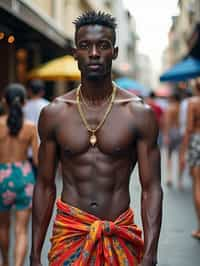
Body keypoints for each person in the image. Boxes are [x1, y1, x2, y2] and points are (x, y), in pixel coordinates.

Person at [30, 11, 163, 266]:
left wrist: (150, 253)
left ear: (113, 52)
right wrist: (34, 253)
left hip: (119, 235)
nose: (93, 53)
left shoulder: (138, 113)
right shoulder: (54, 113)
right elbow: (45, 185)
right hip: (70, 235)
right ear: (74, 53)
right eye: (85, 46)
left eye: (102, 46)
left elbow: (151, 188)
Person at [0, 84, 38, 266]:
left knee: (3, 226)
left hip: (1, 177)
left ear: (4, 102)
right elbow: (37, 160)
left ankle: (5, 262)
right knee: (21, 229)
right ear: (24, 103)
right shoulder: (31, 128)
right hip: (24, 177)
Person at [180, 78, 200, 239]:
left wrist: (183, 152)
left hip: (196, 141)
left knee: (197, 185)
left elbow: (189, 129)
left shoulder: (193, 103)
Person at [23, 80, 49, 176]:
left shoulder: (24, 107)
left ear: (29, 91)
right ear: (42, 92)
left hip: (26, 150)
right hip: (44, 149)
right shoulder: (48, 106)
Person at [163, 92, 182, 187]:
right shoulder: (182, 108)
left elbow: (167, 122)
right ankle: (179, 180)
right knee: (180, 156)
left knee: (169, 156)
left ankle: (169, 177)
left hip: (171, 132)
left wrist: (166, 135)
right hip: (180, 132)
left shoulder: (170, 108)